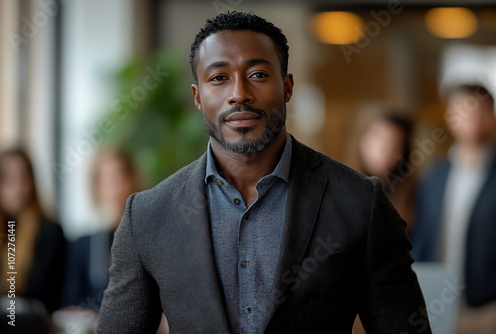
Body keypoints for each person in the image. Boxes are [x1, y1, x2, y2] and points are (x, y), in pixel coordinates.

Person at [97, 12, 431, 333]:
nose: (239, 93)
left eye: (257, 74)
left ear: (287, 88)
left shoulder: (360, 203)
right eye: (219, 78)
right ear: (198, 97)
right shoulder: (147, 216)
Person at [411, 84, 496, 334]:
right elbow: (423, 235)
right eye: (462, 110)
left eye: (479, 111)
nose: (472, 118)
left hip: (488, 307)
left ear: (492, 115)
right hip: (435, 300)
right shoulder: (434, 176)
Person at [60, 150, 140, 310]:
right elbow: (70, 301)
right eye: (108, 179)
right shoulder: (82, 246)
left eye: (120, 177)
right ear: (96, 188)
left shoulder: (146, 239)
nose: (116, 187)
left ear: (132, 180)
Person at [0, 149, 65, 332]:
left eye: (23, 177)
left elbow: (44, 296)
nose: (18, 187)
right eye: (9, 179)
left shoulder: (50, 232)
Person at [355, 111, 416, 231]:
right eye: (378, 137)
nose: (383, 149)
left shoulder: (414, 196)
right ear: (362, 139)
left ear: (403, 153)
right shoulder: (338, 187)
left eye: (393, 144)